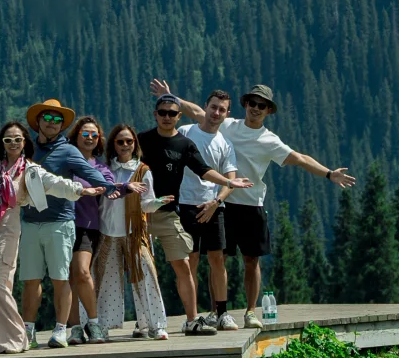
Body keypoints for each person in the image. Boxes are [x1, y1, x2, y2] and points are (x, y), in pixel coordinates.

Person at [151, 79, 355, 329]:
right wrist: (172, 98)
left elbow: (300, 158)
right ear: (245, 104)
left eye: (262, 105)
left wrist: (329, 174)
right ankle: (216, 312)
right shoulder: (227, 124)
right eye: (252, 103)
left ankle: (250, 311)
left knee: (251, 260)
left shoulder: (270, 140)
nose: (256, 108)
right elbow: (197, 112)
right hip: (221, 203)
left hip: (251, 203)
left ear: (268, 110)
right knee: (218, 259)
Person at [20, 98, 138, 349]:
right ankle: (43, 330)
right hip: (31, 222)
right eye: (47, 117)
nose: (52, 122)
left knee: (74, 275)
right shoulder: (27, 149)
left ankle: (87, 324)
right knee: (35, 279)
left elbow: (93, 174)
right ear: (38, 121)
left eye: (57, 119)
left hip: (70, 223)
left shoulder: (69, 152)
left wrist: (113, 188)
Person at [137, 93, 253, 335]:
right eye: (163, 112)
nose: (167, 117)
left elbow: (203, 169)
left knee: (198, 262)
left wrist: (226, 187)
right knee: (145, 264)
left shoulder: (186, 142)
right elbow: (125, 162)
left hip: (181, 210)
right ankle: (144, 320)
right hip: (153, 210)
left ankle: (204, 316)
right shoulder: (145, 139)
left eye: (172, 113)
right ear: (155, 114)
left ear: (178, 116)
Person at [0, 121, 85, 354]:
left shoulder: (30, 170)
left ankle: (17, 337)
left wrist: (80, 190)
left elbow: (55, 183)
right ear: (2, 143)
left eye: (18, 139)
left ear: (24, 143)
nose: (13, 143)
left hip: (9, 228)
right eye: (8, 139)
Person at [93, 124, 170, 340]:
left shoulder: (143, 170)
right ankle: (103, 325)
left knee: (146, 276)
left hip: (134, 232)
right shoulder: (105, 169)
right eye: (120, 141)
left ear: (135, 143)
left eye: (129, 141)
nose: (125, 145)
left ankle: (155, 325)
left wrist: (157, 203)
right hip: (107, 232)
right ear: (113, 144)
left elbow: (146, 204)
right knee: (105, 280)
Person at [177, 90, 239, 330]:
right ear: (206, 106)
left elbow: (230, 180)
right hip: (185, 204)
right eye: (213, 107)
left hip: (214, 207)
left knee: (217, 259)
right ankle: (192, 317)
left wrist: (216, 202)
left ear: (227, 114)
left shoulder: (225, 144)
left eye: (222, 109)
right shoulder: (186, 132)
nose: (216, 113)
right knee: (190, 261)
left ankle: (222, 313)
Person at [65, 116, 114, 345]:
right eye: (85, 133)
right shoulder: (65, 162)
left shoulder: (101, 167)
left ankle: (93, 323)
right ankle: (75, 328)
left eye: (94, 135)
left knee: (82, 272)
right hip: (61, 224)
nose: (90, 138)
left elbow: (110, 187)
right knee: (68, 277)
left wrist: (125, 187)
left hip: (87, 226)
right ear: (76, 136)